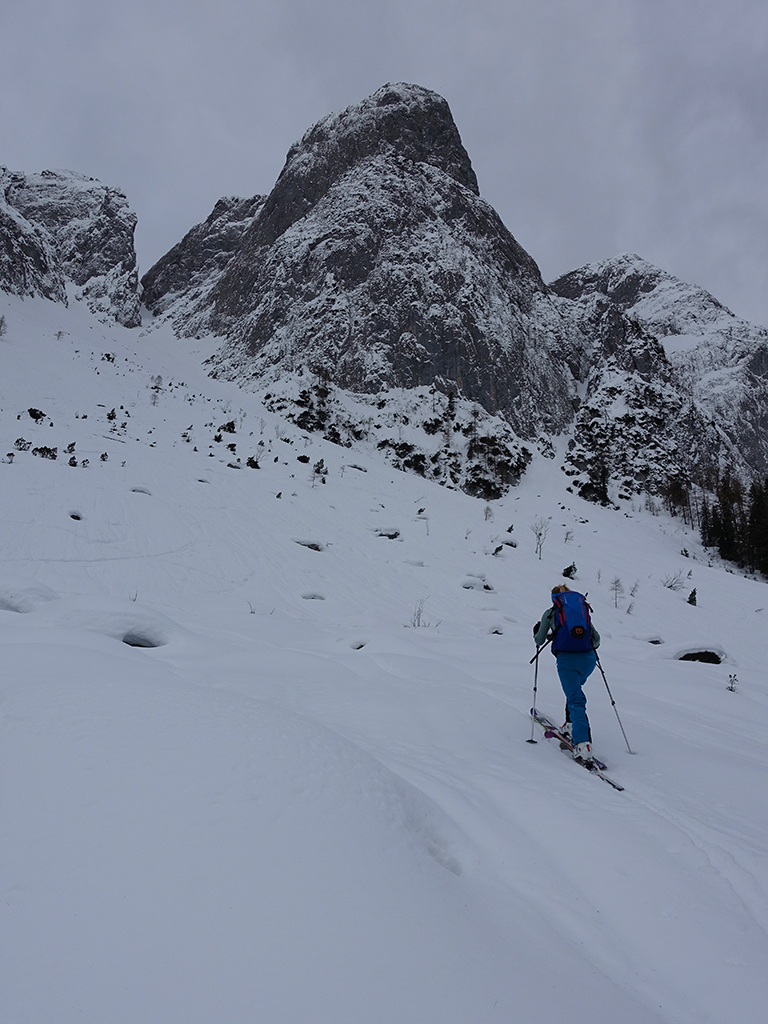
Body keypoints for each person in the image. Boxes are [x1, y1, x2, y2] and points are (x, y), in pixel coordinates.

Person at [533, 584, 600, 763]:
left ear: (554, 598)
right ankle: (570, 725)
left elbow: (539, 640)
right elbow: (596, 640)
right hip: (589, 660)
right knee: (574, 693)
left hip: (567, 660)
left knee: (575, 699)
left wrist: (538, 632)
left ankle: (583, 745)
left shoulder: (550, 613)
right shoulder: (581, 612)